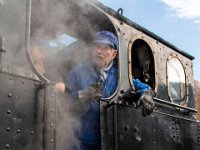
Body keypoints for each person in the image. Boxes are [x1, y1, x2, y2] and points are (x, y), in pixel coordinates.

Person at [65, 31, 155, 150]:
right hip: (79, 140)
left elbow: (142, 87)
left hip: (108, 140)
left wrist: (147, 94)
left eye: (105, 48)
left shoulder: (120, 75)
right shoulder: (78, 72)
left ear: (114, 54)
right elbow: (64, 101)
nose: (99, 51)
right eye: (96, 46)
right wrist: (81, 95)